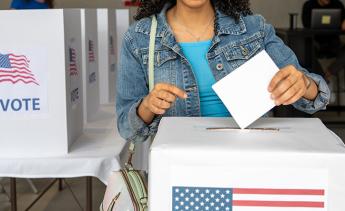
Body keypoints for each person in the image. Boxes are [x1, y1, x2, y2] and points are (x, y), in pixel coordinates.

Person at [116, 0, 330, 143]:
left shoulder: (254, 28)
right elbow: (127, 128)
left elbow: (315, 97)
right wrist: (147, 106)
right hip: (181, 165)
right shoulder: (138, 39)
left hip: (252, 160)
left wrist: (303, 84)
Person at [302, 0, 345, 78]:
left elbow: (343, 25)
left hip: (334, 42)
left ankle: (326, 74)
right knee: (307, 50)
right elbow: (306, 26)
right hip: (316, 42)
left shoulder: (338, 4)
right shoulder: (308, 5)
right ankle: (319, 79)